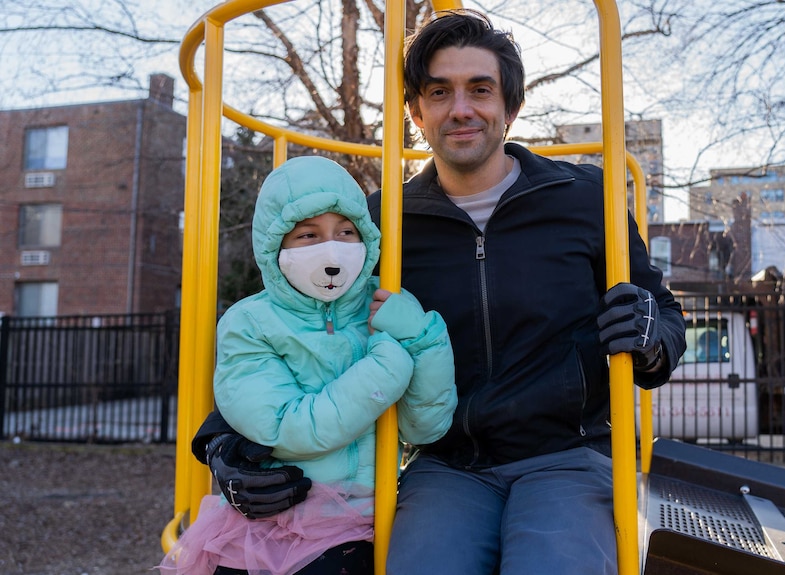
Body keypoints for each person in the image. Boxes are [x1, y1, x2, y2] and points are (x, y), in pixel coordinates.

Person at [192, 9, 686, 575]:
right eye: (438, 91)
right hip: (447, 463)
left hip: (566, 456)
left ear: (510, 106)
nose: (461, 108)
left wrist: (650, 338)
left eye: (480, 89)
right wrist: (223, 443)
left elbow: (663, 315)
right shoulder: (386, 223)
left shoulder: (581, 198)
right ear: (415, 112)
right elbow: (294, 323)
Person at [160, 155, 457, 575]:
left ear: (367, 240)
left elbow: (423, 427)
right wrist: (388, 364)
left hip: (378, 515)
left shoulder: (384, 305)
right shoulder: (250, 323)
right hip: (284, 522)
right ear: (274, 245)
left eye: (346, 231)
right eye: (308, 235)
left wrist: (424, 338)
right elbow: (282, 426)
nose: (331, 248)